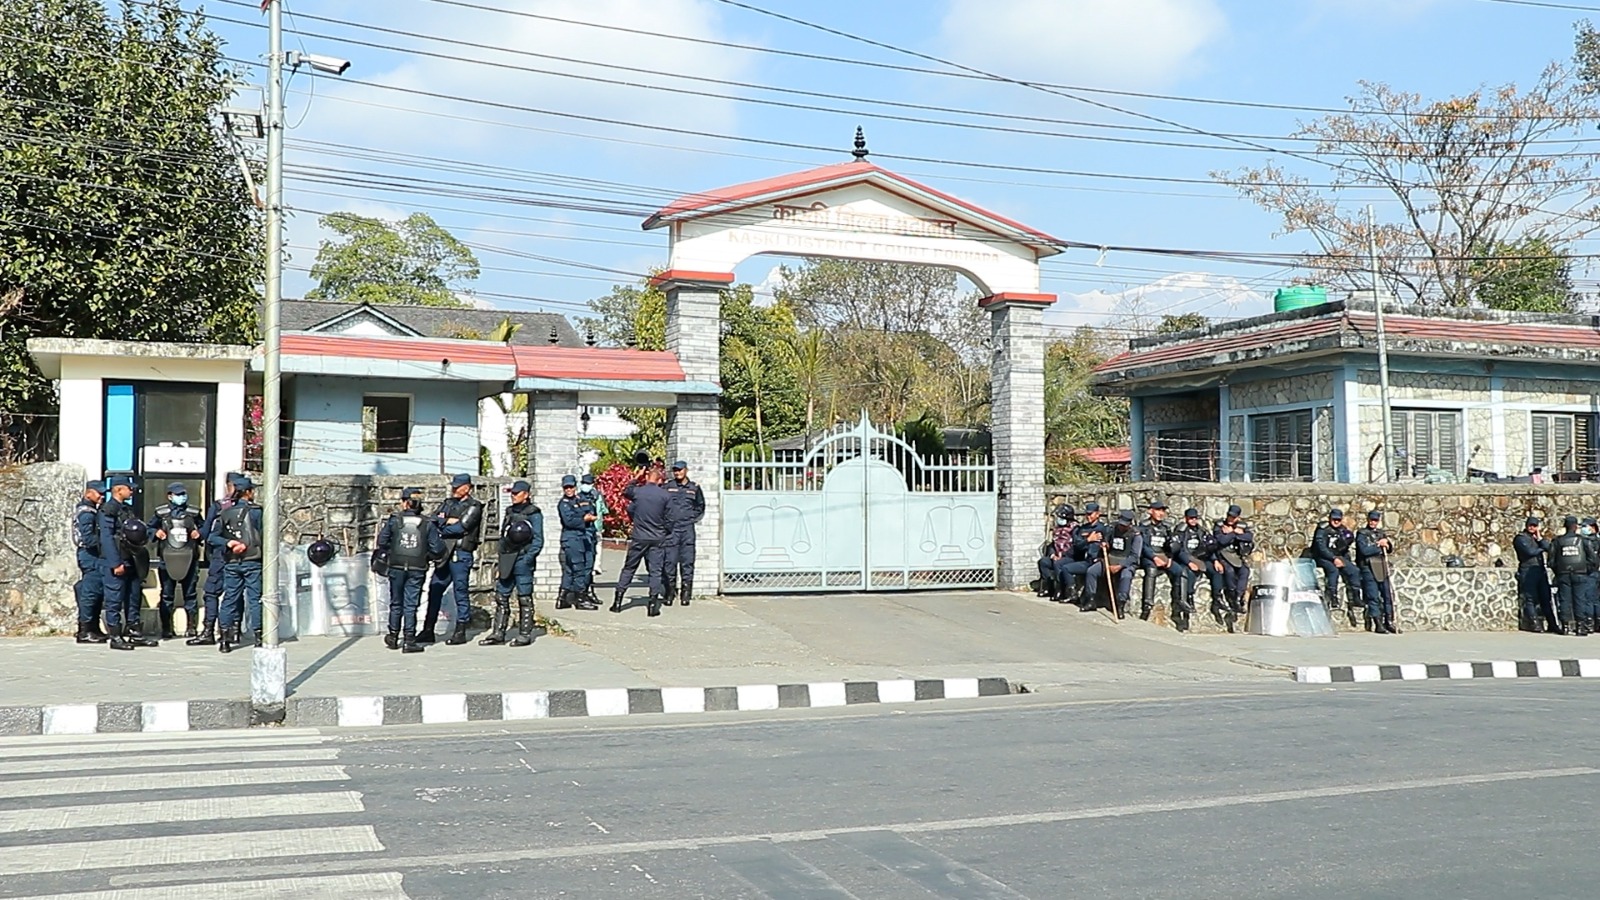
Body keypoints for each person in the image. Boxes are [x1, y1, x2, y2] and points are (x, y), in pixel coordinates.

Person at [377, 488, 446, 653]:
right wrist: (427, 554)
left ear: (404, 503)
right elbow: (437, 548)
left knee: (396, 602)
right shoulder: (427, 523)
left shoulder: (394, 520)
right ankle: (409, 640)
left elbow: (382, 541)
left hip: (396, 566)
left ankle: (393, 636)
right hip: (417, 567)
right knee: (411, 604)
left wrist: (394, 548)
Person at [423, 473, 484, 646]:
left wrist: (443, 526)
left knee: (460, 592)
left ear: (467, 488)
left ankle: (460, 631)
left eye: (458, 487)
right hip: (444, 552)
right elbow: (433, 520)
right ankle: (428, 630)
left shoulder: (474, 506)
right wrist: (446, 522)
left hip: (460, 553)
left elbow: (462, 527)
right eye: (453, 487)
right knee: (435, 589)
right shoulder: (448, 503)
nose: (454, 490)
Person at [484, 480, 544, 647]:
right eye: (512, 493)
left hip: (523, 558)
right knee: (501, 596)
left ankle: (524, 634)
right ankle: (498, 633)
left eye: (517, 493)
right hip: (508, 557)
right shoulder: (509, 511)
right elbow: (504, 535)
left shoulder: (534, 513)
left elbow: (538, 540)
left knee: (524, 597)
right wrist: (500, 559)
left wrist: (527, 559)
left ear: (526, 494)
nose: (513, 496)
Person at [98, 476, 153, 650]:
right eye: (129, 488)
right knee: (114, 599)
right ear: (119, 489)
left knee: (133, 596)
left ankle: (134, 632)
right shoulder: (108, 510)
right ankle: (115, 636)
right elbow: (107, 538)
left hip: (132, 558)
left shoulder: (127, 509)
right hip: (117, 559)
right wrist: (115, 563)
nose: (132, 491)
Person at [190, 472, 243, 646]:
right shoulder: (251, 508)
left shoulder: (220, 506)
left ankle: (209, 631)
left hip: (221, 555)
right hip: (241, 556)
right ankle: (233, 631)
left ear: (229, 486)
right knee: (235, 594)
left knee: (212, 592)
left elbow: (207, 532)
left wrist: (198, 535)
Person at [614, 465, 671, 616]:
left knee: (629, 568)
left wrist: (636, 476)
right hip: (657, 537)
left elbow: (626, 492)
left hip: (639, 536)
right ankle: (653, 606)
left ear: (646, 477)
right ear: (659, 480)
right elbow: (669, 518)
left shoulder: (638, 492)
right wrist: (664, 530)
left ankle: (617, 602)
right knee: (655, 571)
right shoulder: (665, 496)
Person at [149, 482, 202, 641]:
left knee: (190, 594)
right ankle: (166, 628)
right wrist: (155, 532)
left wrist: (199, 533)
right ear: (170, 496)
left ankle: (191, 627)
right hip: (167, 558)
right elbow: (148, 528)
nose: (182, 497)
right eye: (178, 494)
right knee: (167, 595)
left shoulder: (193, 513)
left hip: (189, 557)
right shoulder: (161, 513)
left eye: (183, 494)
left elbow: (205, 529)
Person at [216, 476, 264, 653]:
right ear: (248, 492)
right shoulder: (257, 512)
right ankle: (259, 637)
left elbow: (213, 537)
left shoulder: (225, 512)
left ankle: (224, 639)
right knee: (255, 599)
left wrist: (229, 543)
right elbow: (265, 535)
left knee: (229, 598)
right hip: (253, 560)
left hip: (232, 562)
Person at [663, 460, 706, 606]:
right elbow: (662, 505)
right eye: (675, 470)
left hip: (687, 530)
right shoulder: (667, 487)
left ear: (686, 470)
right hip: (672, 530)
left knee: (687, 562)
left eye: (680, 470)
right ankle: (669, 593)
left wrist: (691, 518)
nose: (677, 472)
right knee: (670, 563)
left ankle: (686, 594)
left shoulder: (694, 488)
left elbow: (700, 506)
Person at [1085, 511, 1142, 618]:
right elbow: (1107, 542)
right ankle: (1091, 599)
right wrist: (1105, 545)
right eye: (1121, 524)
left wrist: (1120, 566)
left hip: (1126, 561)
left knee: (1126, 576)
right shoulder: (1112, 529)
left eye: (1124, 525)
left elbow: (1134, 556)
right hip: (1110, 558)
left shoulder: (1136, 536)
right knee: (1092, 571)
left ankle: (1120, 604)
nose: (1122, 527)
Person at [556, 475, 599, 611]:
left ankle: (562, 599)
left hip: (581, 537)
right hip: (572, 539)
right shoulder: (564, 503)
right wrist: (584, 519)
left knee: (570, 570)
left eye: (571, 487)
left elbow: (589, 510)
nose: (569, 490)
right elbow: (569, 521)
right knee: (578, 569)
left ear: (575, 487)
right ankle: (580, 599)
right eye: (566, 487)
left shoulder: (579, 499)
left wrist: (585, 516)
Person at [1311, 509, 1361, 626]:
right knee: (1333, 570)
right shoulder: (1322, 529)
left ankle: (1356, 596)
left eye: (1338, 519)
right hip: (1323, 557)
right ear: (1330, 519)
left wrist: (1347, 542)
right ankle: (1332, 595)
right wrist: (1333, 558)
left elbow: (1344, 547)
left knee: (1354, 570)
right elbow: (1320, 547)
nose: (1336, 522)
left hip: (1338, 556)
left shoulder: (1342, 530)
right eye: (1334, 519)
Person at [72, 480, 107, 644]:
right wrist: (106, 541)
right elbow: (88, 539)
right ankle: (85, 630)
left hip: (92, 555)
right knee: (90, 593)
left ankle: (93, 627)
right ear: (88, 493)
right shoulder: (87, 513)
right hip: (90, 555)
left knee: (97, 591)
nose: (102, 496)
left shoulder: (90, 510)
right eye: (99, 493)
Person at [1167, 507, 1210, 633]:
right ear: (1186, 518)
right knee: (1185, 573)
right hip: (1183, 559)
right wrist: (1189, 562)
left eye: (1195, 518)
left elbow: (1208, 546)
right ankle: (1184, 601)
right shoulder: (1181, 530)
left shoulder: (1201, 531)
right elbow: (1178, 550)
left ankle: (1189, 599)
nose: (1193, 520)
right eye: (1191, 518)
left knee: (1214, 571)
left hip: (1197, 558)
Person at [1355, 510, 1398, 634]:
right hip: (1368, 566)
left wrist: (1387, 544)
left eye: (1375, 520)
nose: (1373, 522)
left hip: (1381, 565)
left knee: (1387, 594)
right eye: (1371, 520)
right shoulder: (1362, 534)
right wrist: (1378, 546)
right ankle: (1378, 623)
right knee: (1373, 595)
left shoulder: (1380, 533)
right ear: (1368, 520)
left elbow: (1389, 549)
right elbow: (1364, 551)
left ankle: (1389, 621)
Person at [1551, 515, 1593, 637]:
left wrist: (1559, 571)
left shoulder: (1557, 541)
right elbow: (1593, 559)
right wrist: (1586, 569)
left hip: (1563, 574)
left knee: (1565, 600)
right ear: (1575, 526)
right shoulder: (1583, 541)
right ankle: (1580, 627)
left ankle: (1565, 626)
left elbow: (1551, 561)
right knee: (1580, 599)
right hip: (1580, 573)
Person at [1513, 516, 1556, 633]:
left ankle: (1552, 624)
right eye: (1530, 525)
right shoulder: (1521, 538)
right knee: (1530, 598)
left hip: (1540, 570)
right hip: (1527, 570)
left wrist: (1540, 539)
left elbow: (1549, 548)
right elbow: (1530, 552)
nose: (1532, 528)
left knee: (1546, 598)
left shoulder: (1537, 538)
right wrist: (1542, 548)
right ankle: (1535, 624)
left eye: (1535, 526)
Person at [1213, 504, 1253, 615]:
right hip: (1223, 555)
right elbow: (1221, 540)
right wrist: (1234, 533)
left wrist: (1232, 533)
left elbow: (1249, 537)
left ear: (1238, 518)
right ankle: (1231, 595)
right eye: (1230, 516)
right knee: (1229, 571)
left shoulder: (1242, 526)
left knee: (1245, 571)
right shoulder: (1220, 525)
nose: (1231, 519)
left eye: (1233, 517)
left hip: (1236, 556)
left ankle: (1239, 597)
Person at [1137, 500, 1174, 621]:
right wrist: (1154, 558)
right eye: (1158, 510)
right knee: (1151, 569)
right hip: (1148, 556)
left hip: (1162, 555)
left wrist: (1170, 558)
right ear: (1150, 511)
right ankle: (1147, 605)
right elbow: (1143, 546)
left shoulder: (1166, 527)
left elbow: (1170, 545)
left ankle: (1181, 601)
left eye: (1163, 510)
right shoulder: (1144, 526)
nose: (1161, 513)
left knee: (1180, 571)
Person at [1066, 502, 1106, 609]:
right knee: (1066, 568)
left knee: (1090, 572)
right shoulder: (1083, 529)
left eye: (1091, 514)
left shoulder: (1104, 529)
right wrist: (1088, 540)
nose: (1088, 517)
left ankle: (1090, 600)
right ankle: (1073, 594)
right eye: (1087, 514)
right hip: (1087, 560)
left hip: (1098, 561)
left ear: (1097, 514)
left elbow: (1108, 544)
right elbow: (1077, 545)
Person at [1038, 505, 1076, 602]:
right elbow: (1052, 544)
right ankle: (1048, 587)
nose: (1058, 519)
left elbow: (1076, 546)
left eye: (1061, 517)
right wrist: (1052, 554)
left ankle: (1060, 589)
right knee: (1043, 562)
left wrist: (1063, 555)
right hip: (1057, 555)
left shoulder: (1075, 529)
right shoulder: (1057, 529)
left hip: (1070, 557)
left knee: (1058, 564)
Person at [581, 473, 607, 588]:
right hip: (593, 526)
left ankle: (593, 567)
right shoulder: (598, 495)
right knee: (596, 547)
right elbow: (604, 510)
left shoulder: (582, 496)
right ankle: (596, 566)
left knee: (593, 547)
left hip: (593, 526)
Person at [1582, 517, 1600, 637]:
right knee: (1596, 599)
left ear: (1593, 528)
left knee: (1588, 599)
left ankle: (1589, 623)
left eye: (1586, 526)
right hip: (1596, 572)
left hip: (1590, 572)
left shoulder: (1589, 542)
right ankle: (1597, 622)